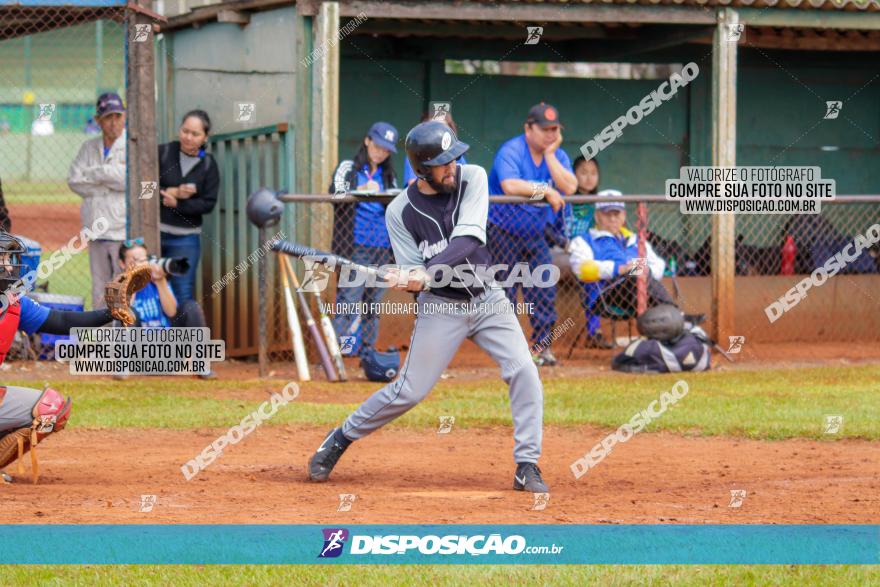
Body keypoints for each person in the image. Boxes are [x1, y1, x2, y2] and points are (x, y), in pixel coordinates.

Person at [308, 121, 549, 493]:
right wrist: (409, 280)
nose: (452, 166)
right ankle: (340, 437)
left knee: (524, 371)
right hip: (442, 307)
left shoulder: (474, 177)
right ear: (422, 169)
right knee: (409, 390)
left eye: (454, 158)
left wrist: (427, 273)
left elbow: (469, 238)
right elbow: (415, 279)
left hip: (488, 297)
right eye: (443, 163)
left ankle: (527, 465)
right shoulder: (399, 212)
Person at [0, 232, 117, 481]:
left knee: (51, 409)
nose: (10, 266)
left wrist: (111, 313)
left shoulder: (13, 302)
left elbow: (62, 321)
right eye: (3, 258)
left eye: (9, 258)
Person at [487, 103, 576, 367]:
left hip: (536, 235)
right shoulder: (511, 150)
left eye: (554, 130)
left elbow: (570, 186)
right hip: (503, 232)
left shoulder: (556, 155)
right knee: (506, 293)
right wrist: (545, 191)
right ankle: (508, 352)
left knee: (543, 291)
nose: (550, 135)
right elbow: (509, 184)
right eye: (544, 129)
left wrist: (550, 155)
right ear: (528, 128)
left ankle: (541, 349)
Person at [568, 191, 701, 322]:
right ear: (597, 216)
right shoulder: (584, 240)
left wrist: (646, 269)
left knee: (639, 273)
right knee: (636, 275)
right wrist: (620, 268)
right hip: (605, 294)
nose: (613, 219)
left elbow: (658, 264)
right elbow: (581, 269)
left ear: (624, 216)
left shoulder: (635, 239)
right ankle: (678, 317)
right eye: (607, 214)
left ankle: (673, 322)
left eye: (616, 213)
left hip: (639, 289)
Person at [329, 122, 399, 357]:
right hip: (355, 246)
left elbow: (397, 207)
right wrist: (360, 188)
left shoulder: (389, 175)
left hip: (382, 247)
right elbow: (334, 193)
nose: (381, 152)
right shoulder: (349, 167)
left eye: (386, 149)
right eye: (378, 146)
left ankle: (367, 351)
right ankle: (342, 352)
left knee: (373, 304)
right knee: (349, 300)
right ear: (368, 141)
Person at [116, 238, 215, 379]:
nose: (141, 264)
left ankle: (201, 365)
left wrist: (160, 281)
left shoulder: (156, 281)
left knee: (191, 307)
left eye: (144, 259)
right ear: (122, 264)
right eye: (136, 260)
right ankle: (123, 368)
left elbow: (172, 312)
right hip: (140, 354)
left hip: (169, 351)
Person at [67, 92, 127, 310]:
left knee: (124, 288)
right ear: (98, 120)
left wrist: (97, 173)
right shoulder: (88, 147)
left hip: (122, 230)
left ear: (124, 116)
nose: (114, 122)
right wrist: (110, 180)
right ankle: (103, 342)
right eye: (108, 117)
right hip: (95, 228)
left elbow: (130, 180)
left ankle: (125, 339)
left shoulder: (131, 144)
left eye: (117, 116)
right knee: (99, 288)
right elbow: (74, 180)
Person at [158, 110, 220, 303]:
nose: (188, 137)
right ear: (179, 130)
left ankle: (182, 334)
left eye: (195, 134)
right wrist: (171, 191)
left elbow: (208, 204)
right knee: (148, 289)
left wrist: (178, 204)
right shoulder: (163, 152)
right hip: (154, 234)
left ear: (205, 137)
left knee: (182, 294)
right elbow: (143, 187)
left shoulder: (208, 165)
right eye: (185, 131)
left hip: (185, 241)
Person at [568, 156, 612, 349]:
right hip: (564, 251)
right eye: (583, 172)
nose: (588, 177)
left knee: (593, 277)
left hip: (589, 255)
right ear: (573, 175)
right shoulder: (564, 198)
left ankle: (595, 332)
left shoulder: (599, 204)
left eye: (593, 173)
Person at [403, 112, 466, 186]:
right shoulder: (417, 154)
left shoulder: (455, 153)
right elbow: (412, 184)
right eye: (433, 127)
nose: (437, 131)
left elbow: (464, 179)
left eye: (442, 127)